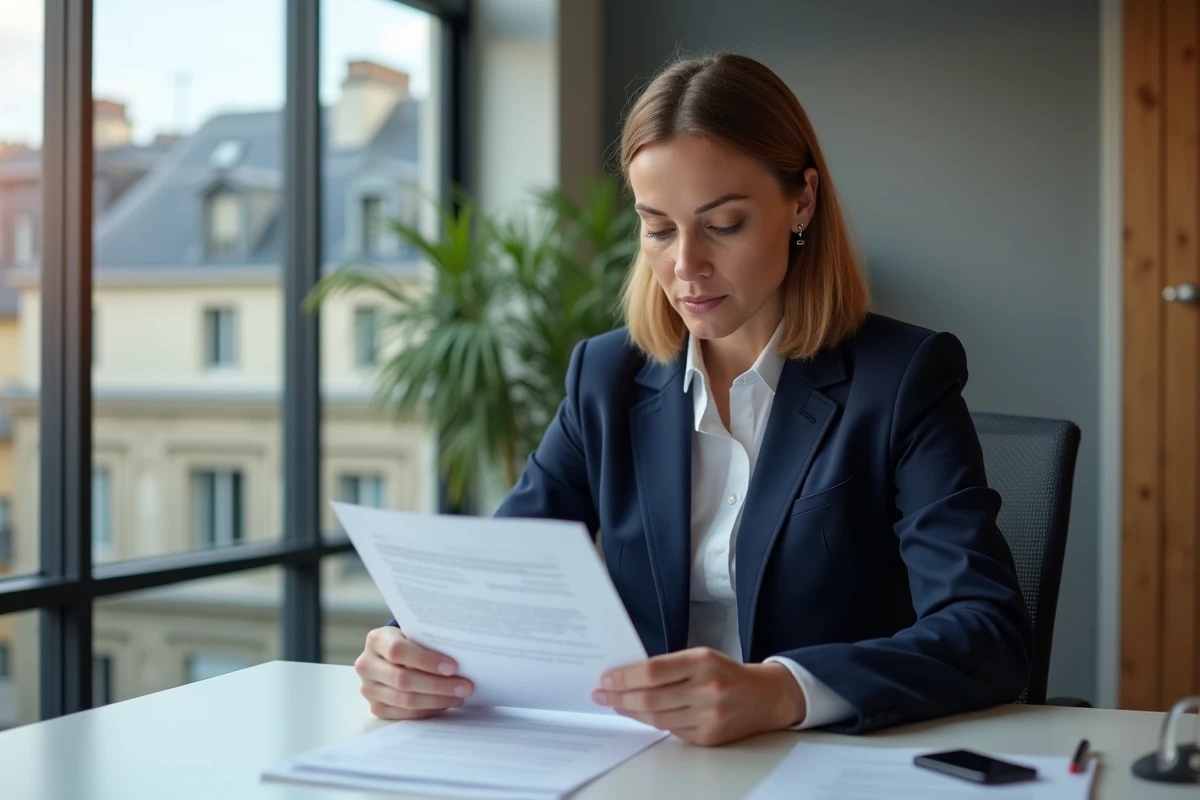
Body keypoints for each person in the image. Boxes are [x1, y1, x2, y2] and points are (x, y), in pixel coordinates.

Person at [354, 52, 1033, 747]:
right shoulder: (606, 376)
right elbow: (499, 576)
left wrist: (782, 691)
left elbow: (987, 631)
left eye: (724, 224)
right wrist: (405, 649)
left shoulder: (903, 378)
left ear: (801, 201)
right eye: (657, 227)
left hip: (822, 760)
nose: (685, 267)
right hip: (642, 762)